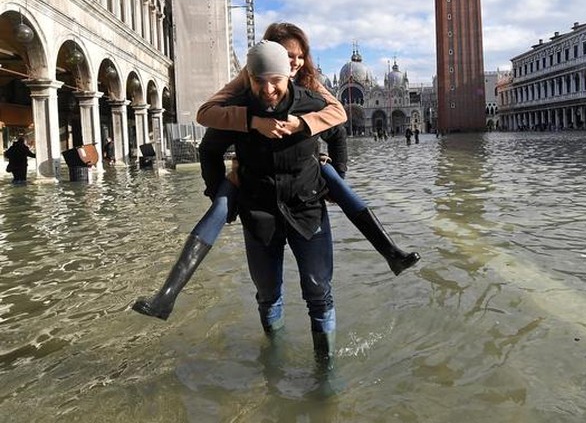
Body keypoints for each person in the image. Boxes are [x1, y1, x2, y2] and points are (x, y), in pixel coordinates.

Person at [132, 23, 419, 321]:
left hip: (306, 200)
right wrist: (250, 125)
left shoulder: (310, 89)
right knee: (266, 292)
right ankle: (168, 296)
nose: (291, 64)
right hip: (258, 206)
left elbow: (338, 122)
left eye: (298, 57)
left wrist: (305, 128)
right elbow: (208, 130)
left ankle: (390, 253)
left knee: (320, 291)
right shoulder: (244, 90)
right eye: (285, 55)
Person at [200, 40, 340, 373]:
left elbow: (337, 133)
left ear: (288, 75)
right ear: (248, 78)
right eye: (259, 80)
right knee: (267, 294)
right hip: (258, 212)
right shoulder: (237, 109)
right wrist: (219, 195)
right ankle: (273, 365)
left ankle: (326, 372)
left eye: (274, 80)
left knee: (319, 292)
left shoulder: (311, 102)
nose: (268, 89)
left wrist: (337, 178)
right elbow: (208, 150)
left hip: (307, 209)